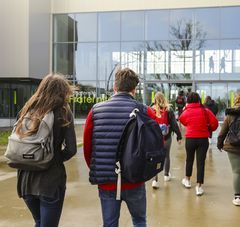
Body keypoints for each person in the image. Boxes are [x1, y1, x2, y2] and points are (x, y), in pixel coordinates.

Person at [83, 68, 159, 227]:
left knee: (109, 224)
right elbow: (154, 144)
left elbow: (87, 147)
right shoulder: (145, 111)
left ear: (114, 87)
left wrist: (100, 168)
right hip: (135, 180)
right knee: (139, 221)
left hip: (107, 181)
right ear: (134, 89)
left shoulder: (96, 111)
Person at [16, 74, 77, 227]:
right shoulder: (63, 111)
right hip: (50, 180)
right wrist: (50, 158)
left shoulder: (29, 108)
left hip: (25, 179)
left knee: (39, 221)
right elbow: (71, 149)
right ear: (63, 91)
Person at [179, 92, 218, 196]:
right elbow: (215, 123)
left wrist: (189, 124)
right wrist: (209, 128)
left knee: (189, 159)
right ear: (199, 100)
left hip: (190, 138)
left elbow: (181, 119)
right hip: (203, 139)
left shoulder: (186, 111)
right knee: (201, 163)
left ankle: (187, 180)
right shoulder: (205, 111)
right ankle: (199, 187)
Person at [151, 92, 182, 189]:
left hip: (155, 138)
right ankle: (166, 175)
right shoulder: (169, 109)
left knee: (155, 158)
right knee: (166, 156)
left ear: (155, 99)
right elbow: (174, 124)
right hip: (166, 137)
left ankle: (155, 180)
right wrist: (179, 136)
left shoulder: (151, 109)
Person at [217, 92, 240, 206]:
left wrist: (219, 144)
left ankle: (238, 197)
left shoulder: (230, 115)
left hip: (232, 146)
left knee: (236, 171)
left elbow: (222, 133)